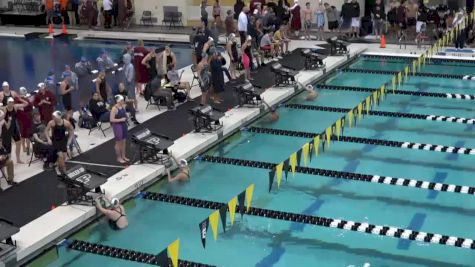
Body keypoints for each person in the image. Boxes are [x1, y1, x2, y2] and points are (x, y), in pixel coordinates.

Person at [1, 97, 28, 164]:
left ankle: (18, 159)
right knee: (8, 146)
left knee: (18, 143)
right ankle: (9, 161)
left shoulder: (15, 107)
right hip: (6, 130)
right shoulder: (4, 108)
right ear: (7, 102)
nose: (11, 104)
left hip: (14, 128)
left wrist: (20, 99)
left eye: (12, 102)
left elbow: (26, 104)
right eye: (10, 102)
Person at [110, 95, 129, 163]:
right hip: (117, 126)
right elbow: (111, 119)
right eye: (122, 100)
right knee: (118, 143)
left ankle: (123, 156)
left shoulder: (123, 106)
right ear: (118, 101)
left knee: (124, 141)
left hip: (123, 125)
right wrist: (120, 119)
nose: (123, 101)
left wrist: (127, 117)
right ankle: (119, 157)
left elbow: (124, 115)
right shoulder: (114, 108)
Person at [17, 87, 33, 156]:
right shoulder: (17, 100)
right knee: (23, 135)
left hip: (28, 118)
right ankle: (24, 148)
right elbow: (19, 109)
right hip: (21, 120)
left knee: (28, 134)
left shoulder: (27, 99)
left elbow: (31, 107)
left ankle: (28, 148)